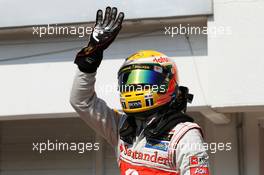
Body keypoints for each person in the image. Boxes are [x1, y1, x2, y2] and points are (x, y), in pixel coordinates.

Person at [70, 7, 210, 175]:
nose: (135, 87)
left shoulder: (184, 133)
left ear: (166, 83)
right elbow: (81, 102)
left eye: (144, 80)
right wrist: (90, 58)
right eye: (129, 81)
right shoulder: (122, 127)